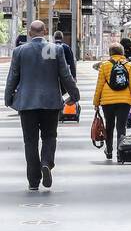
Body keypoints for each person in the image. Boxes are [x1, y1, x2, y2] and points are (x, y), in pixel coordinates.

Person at [4, 20, 79, 190]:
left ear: (29, 33)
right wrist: (74, 94)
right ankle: (46, 162)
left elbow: (13, 77)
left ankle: (33, 181)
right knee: (49, 136)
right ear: (45, 32)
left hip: (27, 103)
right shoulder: (56, 49)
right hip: (51, 102)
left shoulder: (19, 51)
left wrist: (8, 98)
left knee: (30, 142)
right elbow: (66, 76)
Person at [93, 42, 131, 161]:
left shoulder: (105, 65)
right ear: (122, 53)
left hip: (107, 102)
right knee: (121, 127)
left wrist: (96, 103)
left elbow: (99, 85)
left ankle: (109, 151)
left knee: (109, 126)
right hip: (124, 101)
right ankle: (121, 153)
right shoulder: (128, 65)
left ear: (110, 53)